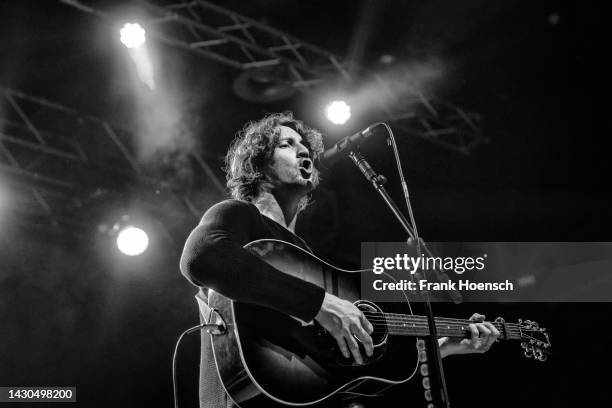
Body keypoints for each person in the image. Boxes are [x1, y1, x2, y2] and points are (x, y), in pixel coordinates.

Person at [180, 112, 499, 408]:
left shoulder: (304, 256)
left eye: (305, 146)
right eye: (287, 144)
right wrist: (320, 304)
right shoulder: (236, 215)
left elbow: (342, 375)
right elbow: (201, 258)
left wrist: (439, 349)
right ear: (258, 165)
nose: (304, 152)